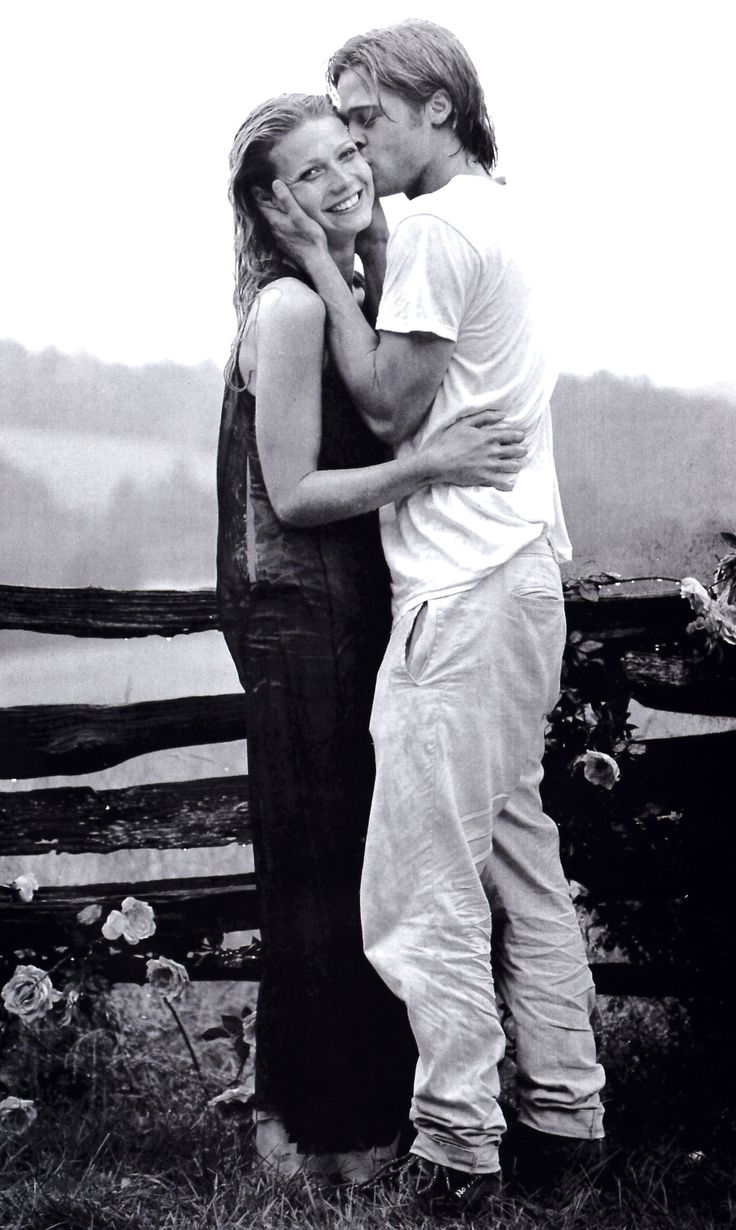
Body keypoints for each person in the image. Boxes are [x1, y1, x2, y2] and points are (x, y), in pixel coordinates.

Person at [259, 20, 606, 1213]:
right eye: (336, 125)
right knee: (516, 850)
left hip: (459, 593)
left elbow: (391, 406)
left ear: (437, 110)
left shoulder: (439, 229)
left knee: (420, 889)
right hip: (519, 578)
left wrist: (317, 269)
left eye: (365, 117)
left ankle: (457, 1146)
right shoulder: (497, 212)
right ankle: (566, 1119)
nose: (353, 142)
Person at [216, 92, 529, 1187]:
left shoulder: (341, 288)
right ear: (271, 203)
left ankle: (328, 1116)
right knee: (319, 872)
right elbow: (294, 495)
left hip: (342, 608)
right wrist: (429, 469)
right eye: (309, 172)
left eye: (349, 149)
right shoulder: (295, 310)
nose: (345, 174)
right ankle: (320, 1133)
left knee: (356, 861)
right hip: (299, 614)